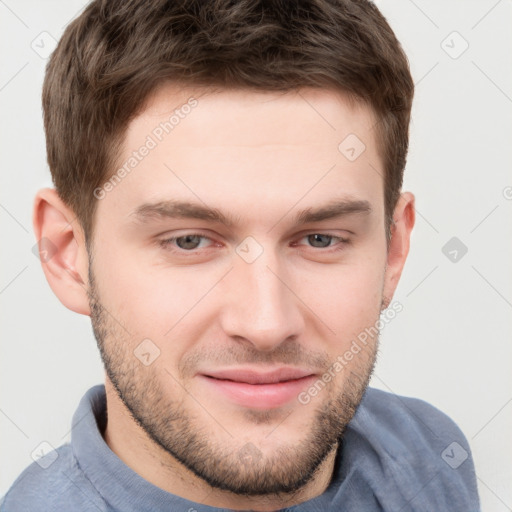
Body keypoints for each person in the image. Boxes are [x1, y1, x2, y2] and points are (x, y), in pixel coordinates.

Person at [1, 0, 480, 510]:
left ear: (393, 250)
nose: (265, 324)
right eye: (189, 240)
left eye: (321, 239)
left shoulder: (429, 454)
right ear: (68, 255)